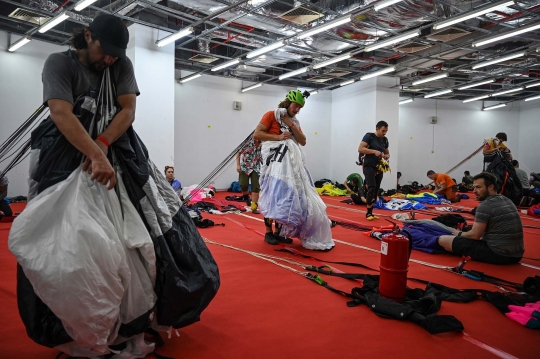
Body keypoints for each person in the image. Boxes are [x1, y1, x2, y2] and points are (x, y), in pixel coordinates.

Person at [10, 15, 219, 357]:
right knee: (74, 242)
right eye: (104, 51)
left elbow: (127, 110)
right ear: (87, 36)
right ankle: (81, 327)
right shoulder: (59, 64)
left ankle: (135, 319)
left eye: (115, 55)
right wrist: (93, 154)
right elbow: (61, 114)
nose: (109, 60)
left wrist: (104, 145)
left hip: (118, 152)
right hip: (66, 155)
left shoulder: (120, 63)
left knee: (142, 235)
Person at [254, 90, 334, 251]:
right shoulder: (271, 115)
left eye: (299, 108)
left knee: (287, 198)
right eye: (295, 106)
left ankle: (280, 231)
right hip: (273, 165)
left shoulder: (294, 122)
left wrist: (290, 124)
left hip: (290, 168)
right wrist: (278, 137)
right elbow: (257, 134)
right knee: (272, 196)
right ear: (288, 102)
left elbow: (303, 141)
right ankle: (269, 232)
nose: (297, 109)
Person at [438, 172, 524, 265]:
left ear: (490, 187)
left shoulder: (485, 206)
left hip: (499, 254)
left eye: (478, 187)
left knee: (443, 240)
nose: (474, 191)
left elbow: (474, 236)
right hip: (517, 255)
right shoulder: (507, 200)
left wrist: (458, 233)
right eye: (474, 187)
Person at [358, 121, 390, 220]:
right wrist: (374, 151)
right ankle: (368, 213)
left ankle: (371, 212)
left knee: (376, 189)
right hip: (368, 165)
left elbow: (387, 153)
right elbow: (360, 149)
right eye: (383, 131)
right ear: (377, 129)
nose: (384, 133)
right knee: (371, 187)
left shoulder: (385, 140)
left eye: (386, 131)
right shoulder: (369, 136)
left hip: (379, 167)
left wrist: (386, 156)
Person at [236, 137, 262, 214]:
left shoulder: (263, 144)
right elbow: (238, 153)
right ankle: (246, 197)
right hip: (245, 166)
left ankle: (254, 207)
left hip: (256, 167)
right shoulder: (247, 142)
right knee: (243, 184)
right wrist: (238, 165)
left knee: (256, 186)